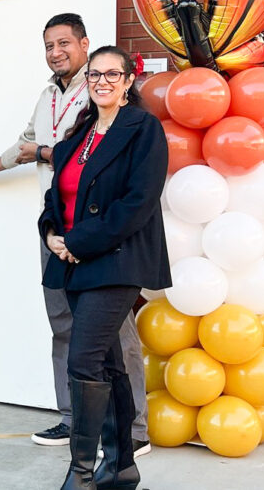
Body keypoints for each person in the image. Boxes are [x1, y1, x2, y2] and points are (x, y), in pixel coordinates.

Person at [0, 14, 150, 453]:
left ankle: (132, 430)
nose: (55, 52)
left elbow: (86, 154)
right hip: (55, 226)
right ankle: (72, 418)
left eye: (64, 43)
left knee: (115, 330)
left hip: (98, 228)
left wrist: (45, 152)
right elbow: (29, 140)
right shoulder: (48, 95)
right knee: (63, 323)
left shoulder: (103, 95)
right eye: (49, 45)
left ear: (85, 45)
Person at [39, 46, 170, 489]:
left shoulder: (143, 129)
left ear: (129, 80)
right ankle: (120, 467)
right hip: (74, 264)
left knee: (84, 359)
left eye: (113, 74)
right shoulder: (79, 134)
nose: (103, 82)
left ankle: (80, 476)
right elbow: (55, 199)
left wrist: (78, 242)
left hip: (115, 261)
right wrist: (51, 234)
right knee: (109, 363)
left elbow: (138, 203)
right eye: (95, 74)